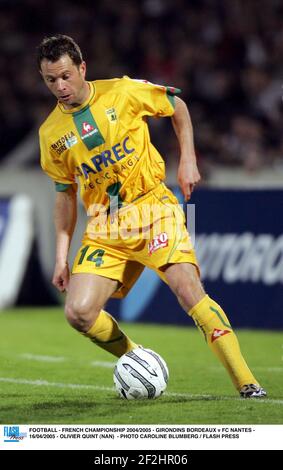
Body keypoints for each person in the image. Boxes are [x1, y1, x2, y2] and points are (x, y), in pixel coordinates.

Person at [37, 34, 266, 399]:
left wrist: (188, 159)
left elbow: (177, 106)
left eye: (65, 75)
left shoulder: (122, 92)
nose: (60, 86)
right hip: (104, 224)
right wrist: (62, 255)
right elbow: (64, 195)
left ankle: (247, 383)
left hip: (153, 208)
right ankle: (138, 359)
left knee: (189, 292)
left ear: (82, 68)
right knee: (78, 313)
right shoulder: (51, 134)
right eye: (50, 80)